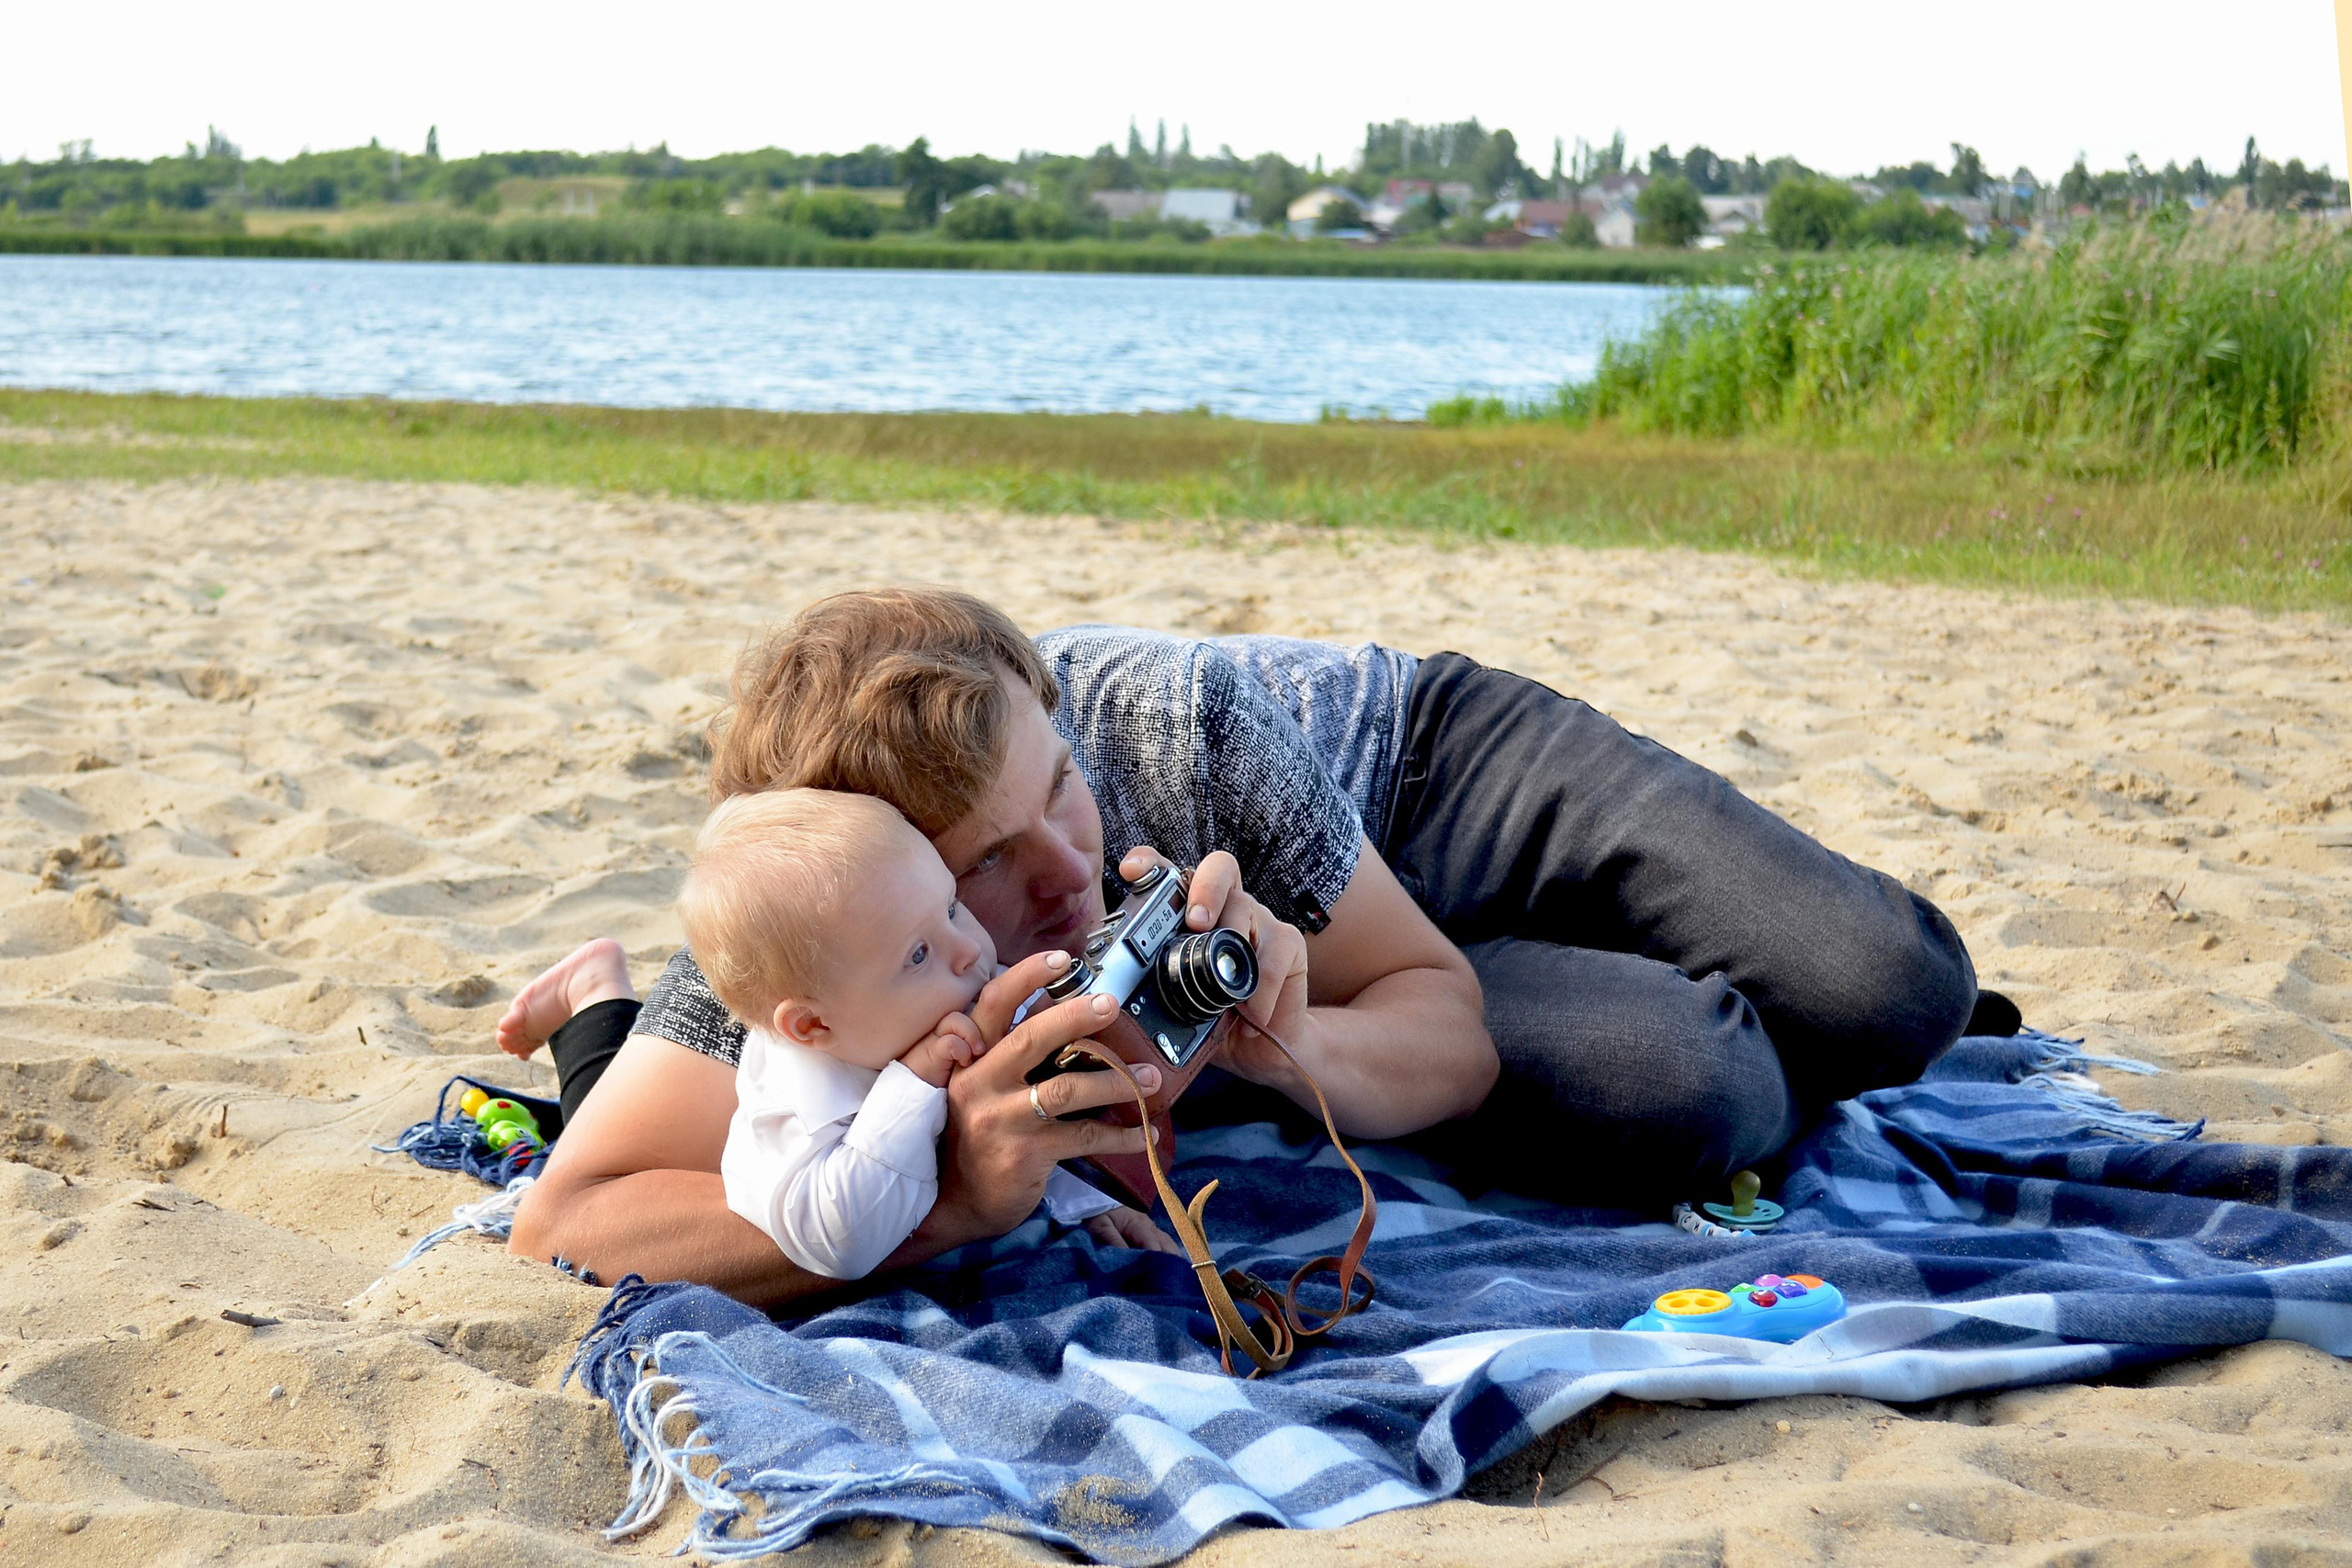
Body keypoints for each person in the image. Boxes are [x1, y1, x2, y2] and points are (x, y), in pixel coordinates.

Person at [503, 588, 1978, 1306]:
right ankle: (1640, 988)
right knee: (1687, 1080)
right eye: (983, 871)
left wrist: (1296, 1042)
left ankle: (1632, 937)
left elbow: (1441, 1023)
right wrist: (952, 1194)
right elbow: (567, 1219)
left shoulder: (1175, 720)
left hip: (1426, 776)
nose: (1071, 870)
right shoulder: (819, 902)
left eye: (1062, 790)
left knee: (1892, 987)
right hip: (1379, 920)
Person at [675, 786, 1170, 1278]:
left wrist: (1086, 1200)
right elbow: (842, 1244)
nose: (970, 950)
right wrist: (915, 1084)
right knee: (600, 1041)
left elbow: (1026, 1119)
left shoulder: (944, 993)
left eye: (952, 908)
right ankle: (599, 996)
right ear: (812, 1024)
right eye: (918, 954)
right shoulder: (790, 1114)